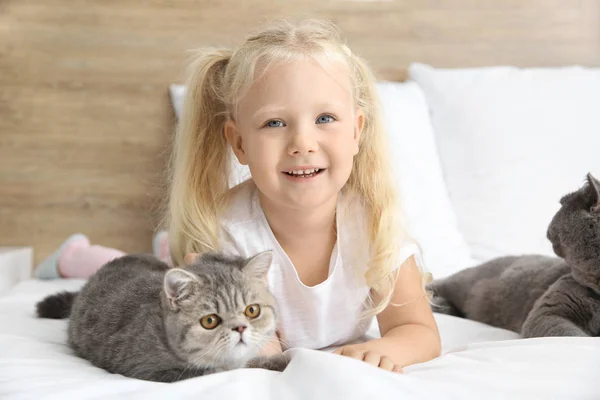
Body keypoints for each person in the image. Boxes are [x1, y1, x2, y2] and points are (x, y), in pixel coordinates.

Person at [35, 18, 441, 373]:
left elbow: (418, 331)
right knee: (141, 275)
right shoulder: (227, 231)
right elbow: (253, 350)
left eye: (325, 118)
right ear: (239, 143)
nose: (302, 142)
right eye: (275, 122)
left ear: (356, 131)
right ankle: (78, 257)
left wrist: (381, 351)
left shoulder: (375, 225)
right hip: (188, 263)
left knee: (164, 256)